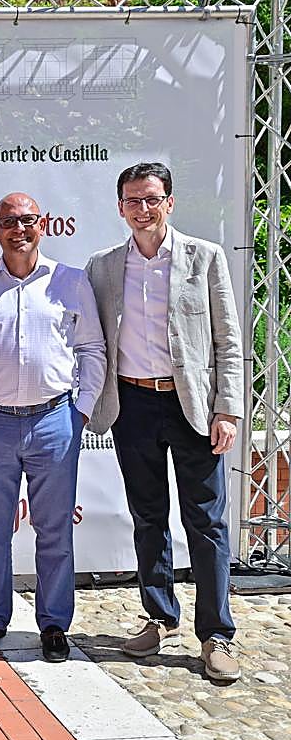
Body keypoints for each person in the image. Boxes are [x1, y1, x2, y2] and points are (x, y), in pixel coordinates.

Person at [85, 162, 244, 682]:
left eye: (152, 199)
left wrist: (229, 409)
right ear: (120, 208)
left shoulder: (205, 257)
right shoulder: (104, 267)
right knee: (148, 517)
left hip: (192, 406)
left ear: (169, 202)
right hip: (132, 406)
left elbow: (229, 342)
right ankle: (158, 615)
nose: (143, 209)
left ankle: (215, 634)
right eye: (133, 201)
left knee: (208, 521)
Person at [0, 193, 106, 663]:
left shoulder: (70, 282)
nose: (20, 229)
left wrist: (81, 412)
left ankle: (54, 624)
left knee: (54, 530)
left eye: (28, 220)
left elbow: (92, 350)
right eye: (10, 222)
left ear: (43, 226)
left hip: (55, 419)